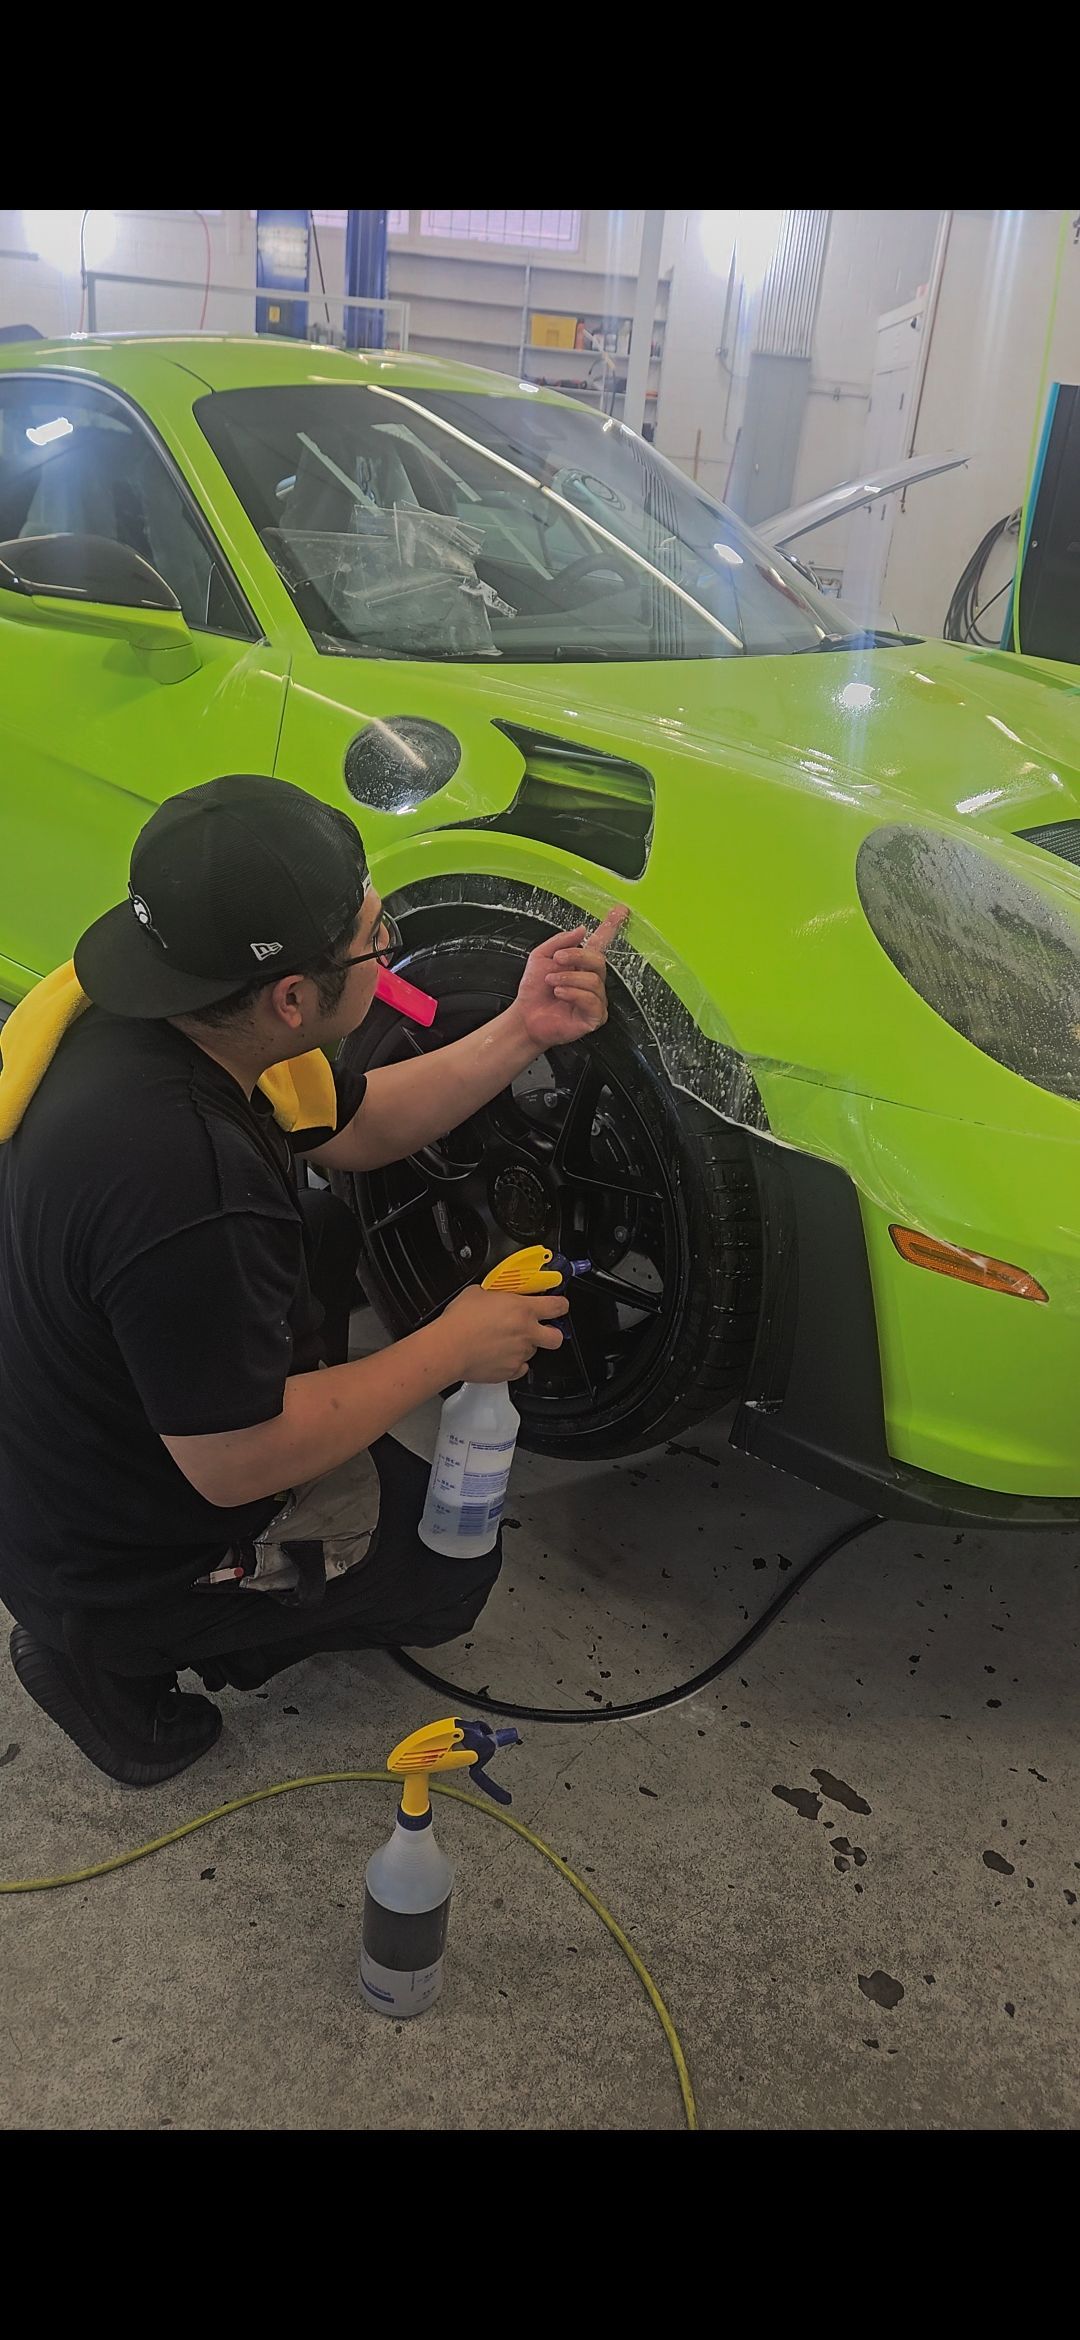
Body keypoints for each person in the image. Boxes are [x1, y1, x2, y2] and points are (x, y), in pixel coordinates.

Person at [0, 774, 627, 1786]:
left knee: (323, 1228)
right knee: (445, 1568)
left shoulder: (149, 1007)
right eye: (376, 941)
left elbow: (360, 1125)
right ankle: (109, 1652)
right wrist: (449, 1347)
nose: (389, 954)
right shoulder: (186, 1182)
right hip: (109, 1547)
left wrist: (521, 1030)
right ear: (292, 997)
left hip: (65, 1438)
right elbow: (234, 1465)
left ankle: (120, 1608)